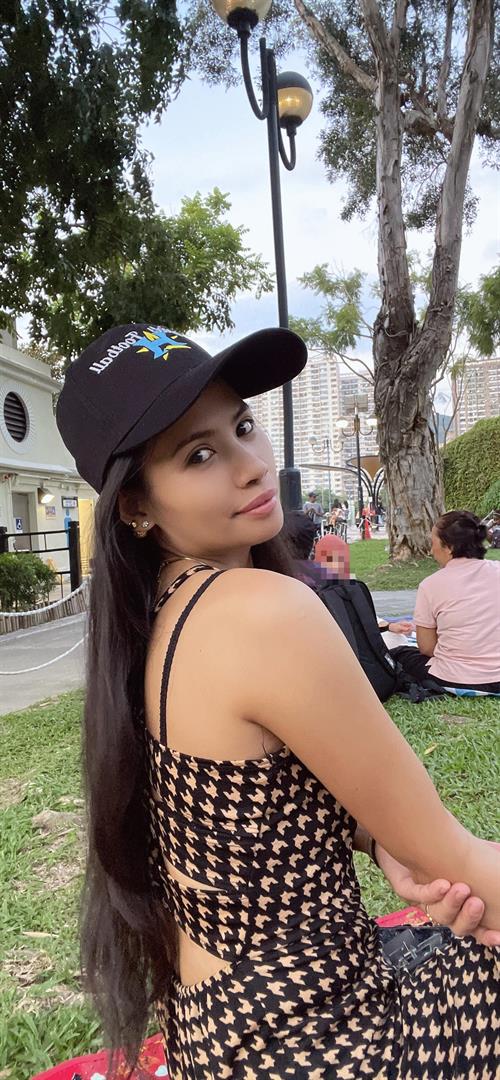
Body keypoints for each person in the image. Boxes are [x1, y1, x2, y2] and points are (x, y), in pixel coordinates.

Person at [56, 324, 499, 1080]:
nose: (252, 465)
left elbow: (253, 806)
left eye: (242, 426)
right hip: (322, 1043)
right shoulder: (263, 612)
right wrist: (424, 853)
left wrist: (378, 843)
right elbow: (454, 856)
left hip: (220, 1036)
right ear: (134, 504)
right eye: (199, 455)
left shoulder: (154, 620)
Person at [392, 510, 500, 693]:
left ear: (449, 547)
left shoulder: (431, 585)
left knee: (399, 654)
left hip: (456, 677)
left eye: (432, 543)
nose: (431, 550)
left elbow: (427, 648)